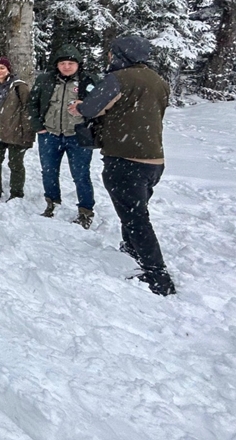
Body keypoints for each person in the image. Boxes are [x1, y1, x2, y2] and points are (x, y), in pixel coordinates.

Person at [71, 36, 175, 296]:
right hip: (154, 159)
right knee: (135, 210)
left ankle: (157, 275)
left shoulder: (118, 79)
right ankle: (131, 251)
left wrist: (79, 107)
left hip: (125, 159)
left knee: (136, 218)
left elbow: (91, 107)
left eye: (111, 53)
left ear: (121, 55)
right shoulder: (158, 80)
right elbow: (137, 110)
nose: (108, 57)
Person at [28, 44, 100, 226]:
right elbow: (31, 104)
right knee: (49, 172)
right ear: (57, 65)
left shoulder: (89, 80)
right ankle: (52, 203)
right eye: (62, 63)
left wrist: (85, 105)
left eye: (70, 63)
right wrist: (38, 126)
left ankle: (85, 211)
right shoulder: (45, 80)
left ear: (78, 64)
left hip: (78, 136)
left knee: (81, 175)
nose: (66, 67)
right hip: (50, 134)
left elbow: (101, 106)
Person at [0, 57, 34, 202]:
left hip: (16, 132)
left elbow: (27, 110)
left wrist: (27, 133)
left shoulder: (19, 87)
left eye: (2, 68)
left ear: (8, 70)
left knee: (15, 164)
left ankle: (16, 193)